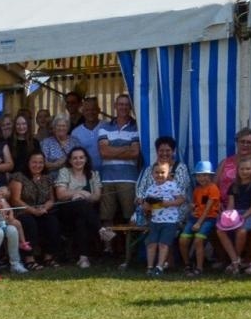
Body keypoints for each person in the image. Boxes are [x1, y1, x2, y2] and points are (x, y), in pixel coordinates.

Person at [96, 94, 142, 233]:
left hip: (129, 178)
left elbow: (135, 153)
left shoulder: (136, 127)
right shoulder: (104, 126)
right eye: (120, 104)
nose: (123, 107)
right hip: (107, 178)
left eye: (126, 104)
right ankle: (108, 248)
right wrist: (126, 147)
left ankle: (129, 248)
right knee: (107, 216)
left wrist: (112, 148)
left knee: (130, 215)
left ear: (130, 107)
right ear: (115, 106)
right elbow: (103, 152)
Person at [52, 146, 102, 268]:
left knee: (81, 220)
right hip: (66, 212)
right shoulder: (64, 172)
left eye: (81, 157)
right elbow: (60, 194)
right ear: (69, 160)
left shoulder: (93, 174)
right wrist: (79, 193)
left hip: (85, 212)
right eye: (74, 158)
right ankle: (100, 229)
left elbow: (97, 196)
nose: (78, 160)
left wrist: (84, 196)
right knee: (80, 204)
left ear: (86, 159)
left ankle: (83, 258)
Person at [9, 150, 60, 268]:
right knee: (29, 223)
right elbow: (15, 200)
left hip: (43, 211)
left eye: (41, 162)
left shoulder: (47, 178)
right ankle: (29, 259)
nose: (37, 165)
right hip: (23, 211)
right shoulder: (19, 177)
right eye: (34, 162)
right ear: (28, 163)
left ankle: (48, 257)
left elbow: (52, 199)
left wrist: (44, 208)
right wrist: (33, 211)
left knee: (52, 223)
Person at [217, 158, 251, 275]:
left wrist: (243, 217)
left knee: (242, 231)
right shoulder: (233, 186)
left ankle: (237, 259)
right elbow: (231, 205)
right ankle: (234, 259)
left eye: (248, 169)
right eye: (242, 169)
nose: (245, 171)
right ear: (237, 170)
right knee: (220, 230)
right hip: (235, 213)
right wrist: (227, 216)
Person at [139, 161, 184, 276]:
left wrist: (167, 203)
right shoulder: (150, 189)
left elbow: (181, 200)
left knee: (164, 244)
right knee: (151, 244)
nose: (159, 175)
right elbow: (146, 207)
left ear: (168, 173)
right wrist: (146, 206)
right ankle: (149, 267)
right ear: (152, 174)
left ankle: (159, 267)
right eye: (157, 172)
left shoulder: (172, 185)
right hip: (155, 221)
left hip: (170, 221)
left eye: (162, 172)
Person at [178, 161, 221, 275]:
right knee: (183, 239)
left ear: (211, 176)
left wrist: (198, 223)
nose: (202, 178)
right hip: (195, 217)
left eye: (205, 175)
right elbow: (198, 205)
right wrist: (192, 207)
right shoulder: (197, 189)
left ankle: (199, 268)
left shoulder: (213, 188)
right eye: (199, 175)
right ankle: (187, 264)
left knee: (198, 240)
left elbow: (208, 208)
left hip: (208, 218)